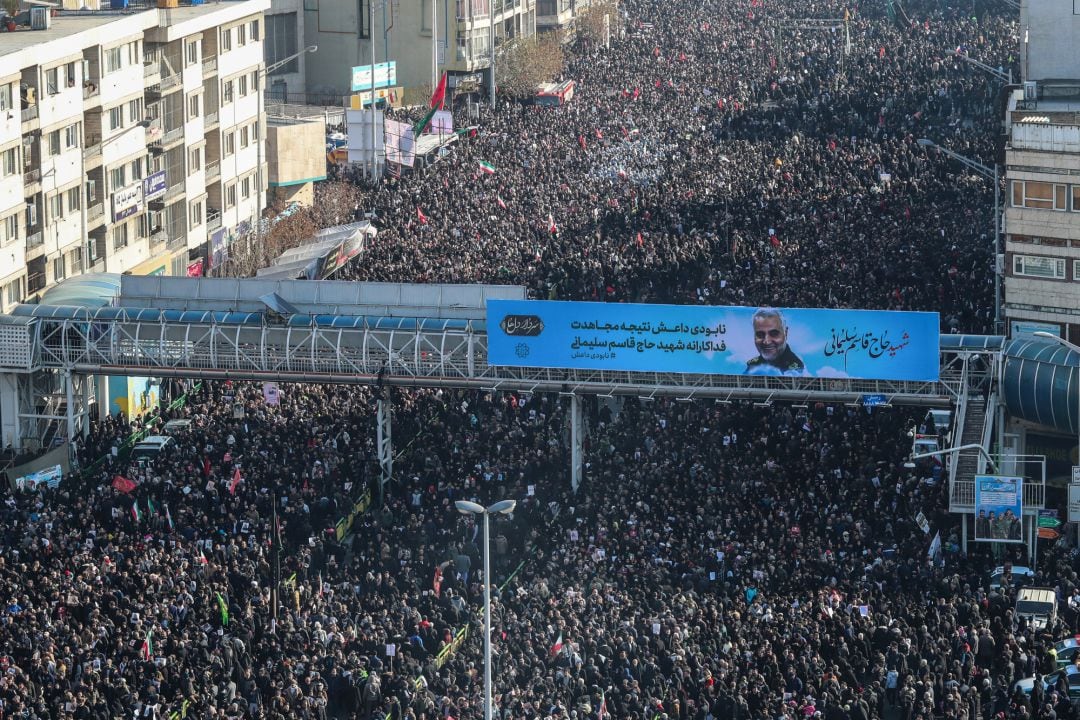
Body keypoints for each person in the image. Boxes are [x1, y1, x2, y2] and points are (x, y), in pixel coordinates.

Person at [745, 308, 806, 376]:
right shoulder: (752, 365)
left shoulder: (795, 369)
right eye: (760, 334)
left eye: (774, 333)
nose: (766, 341)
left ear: (785, 333)